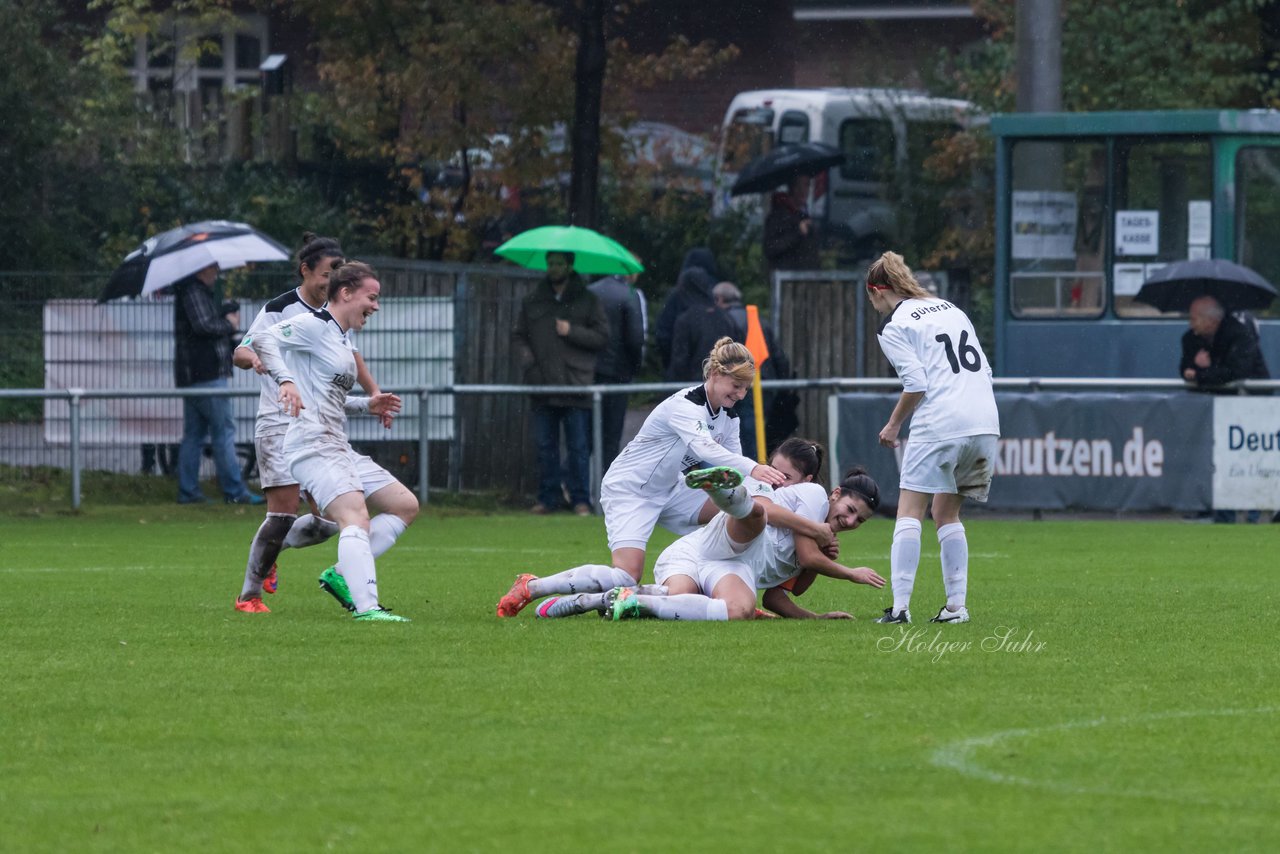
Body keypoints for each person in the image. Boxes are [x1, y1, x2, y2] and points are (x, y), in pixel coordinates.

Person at [496, 337, 789, 617]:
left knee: (741, 512)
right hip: (631, 489)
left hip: (672, 489)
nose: (740, 395)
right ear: (714, 373)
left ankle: (729, 594)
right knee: (625, 574)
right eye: (736, 386)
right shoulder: (685, 405)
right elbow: (705, 448)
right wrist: (754, 468)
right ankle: (533, 586)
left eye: (746, 389)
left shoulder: (729, 417)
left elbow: (733, 473)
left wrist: (766, 489)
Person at [246, 261, 416, 621]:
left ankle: (342, 572)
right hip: (312, 444)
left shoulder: (339, 337)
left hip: (335, 442)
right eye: (372, 297)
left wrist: (367, 404)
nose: (376, 306)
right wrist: (285, 381)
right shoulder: (315, 325)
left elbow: (327, 397)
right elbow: (260, 339)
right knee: (355, 517)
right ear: (346, 293)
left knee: (405, 505)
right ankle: (368, 608)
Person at [230, 233, 387, 613]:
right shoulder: (282, 308)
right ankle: (249, 595)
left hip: (319, 427)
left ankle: (274, 550)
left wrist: (375, 398)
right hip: (279, 421)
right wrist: (259, 362)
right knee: (282, 513)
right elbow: (243, 350)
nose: (334, 278)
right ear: (306, 271)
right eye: (328, 272)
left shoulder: (337, 320)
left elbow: (354, 363)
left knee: (330, 522)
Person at [545, 464, 885, 621]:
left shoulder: (823, 540)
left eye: (861, 521)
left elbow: (780, 597)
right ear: (835, 494)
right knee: (755, 517)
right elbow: (806, 555)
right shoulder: (814, 498)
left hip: (725, 567)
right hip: (712, 546)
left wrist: (817, 618)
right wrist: (849, 572)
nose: (851, 521)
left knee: (728, 610)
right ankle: (721, 488)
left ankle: (604, 600)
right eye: (851, 510)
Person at [865, 251, 1000, 625]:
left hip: (941, 420)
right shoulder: (949, 308)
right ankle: (956, 607)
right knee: (946, 512)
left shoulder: (893, 324)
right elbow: (984, 369)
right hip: (985, 419)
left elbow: (917, 383)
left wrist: (893, 425)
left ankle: (901, 608)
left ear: (877, 290)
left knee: (910, 510)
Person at [512, 251, 610, 515]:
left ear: (569, 265)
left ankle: (581, 500)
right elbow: (518, 336)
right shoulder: (532, 300)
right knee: (545, 447)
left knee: (579, 447)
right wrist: (529, 362)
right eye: (550, 263)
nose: (553, 268)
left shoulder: (588, 300)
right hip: (542, 384)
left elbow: (602, 337)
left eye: (558, 263)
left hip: (575, 384)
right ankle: (548, 498)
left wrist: (571, 331)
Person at [668, 281, 794, 454]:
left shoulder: (721, 320)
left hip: (743, 383)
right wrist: (783, 383)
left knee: (738, 431)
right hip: (762, 383)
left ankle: (747, 466)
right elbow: (778, 355)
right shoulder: (756, 319)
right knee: (752, 431)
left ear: (718, 299)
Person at [173, 263, 262, 506]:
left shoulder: (191, 291)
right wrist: (229, 325)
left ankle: (188, 491)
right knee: (223, 432)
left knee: (194, 435)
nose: (216, 273)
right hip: (207, 374)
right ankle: (234, 491)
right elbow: (204, 326)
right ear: (203, 269)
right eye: (213, 269)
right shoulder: (194, 291)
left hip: (194, 376)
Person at [588, 267, 647, 472]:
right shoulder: (629, 294)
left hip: (588, 371)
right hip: (618, 373)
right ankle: (606, 485)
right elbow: (635, 338)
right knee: (611, 436)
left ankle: (580, 492)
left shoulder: (591, 290)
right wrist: (635, 366)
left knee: (585, 433)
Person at [1179, 295, 1270, 392]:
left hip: (1248, 396)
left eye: (1194, 319)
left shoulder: (1240, 336)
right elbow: (1185, 368)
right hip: (1206, 397)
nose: (1190, 324)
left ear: (1211, 320)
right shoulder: (1190, 338)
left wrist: (1202, 373)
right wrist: (1194, 368)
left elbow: (1236, 372)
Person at [654, 248, 722, 372]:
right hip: (716, 369)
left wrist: (671, 361)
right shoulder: (717, 296)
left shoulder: (677, 297)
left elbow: (663, 333)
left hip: (682, 368)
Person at [763, 175, 820, 278]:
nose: (806, 191)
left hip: (806, 281)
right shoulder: (778, 216)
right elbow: (770, 248)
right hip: (786, 281)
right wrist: (797, 232)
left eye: (808, 186)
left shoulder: (803, 215)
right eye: (804, 185)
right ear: (793, 188)